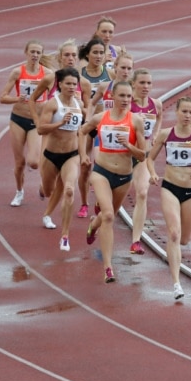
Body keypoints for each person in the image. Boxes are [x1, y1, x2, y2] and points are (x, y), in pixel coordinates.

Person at [146, 97, 191, 300]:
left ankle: (176, 259)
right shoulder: (167, 134)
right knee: (174, 234)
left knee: (184, 239)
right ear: (176, 112)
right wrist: (152, 173)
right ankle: (176, 284)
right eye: (184, 111)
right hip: (170, 187)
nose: (187, 115)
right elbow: (149, 159)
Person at [78, 81, 146, 283]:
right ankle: (108, 268)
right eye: (122, 96)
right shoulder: (100, 118)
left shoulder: (135, 121)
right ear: (113, 97)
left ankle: (93, 225)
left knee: (108, 216)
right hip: (101, 172)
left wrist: (129, 146)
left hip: (124, 176)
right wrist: (83, 154)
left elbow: (142, 155)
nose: (126, 100)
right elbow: (82, 131)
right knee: (108, 215)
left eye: (128, 96)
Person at [28, 39, 92, 228]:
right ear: (60, 57)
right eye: (66, 55)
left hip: (72, 135)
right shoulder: (51, 79)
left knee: (66, 181)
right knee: (43, 176)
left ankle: (50, 215)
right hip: (50, 133)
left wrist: (83, 122)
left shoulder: (84, 84)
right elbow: (32, 99)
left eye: (74, 55)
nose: (70, 59)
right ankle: (45, 187)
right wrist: (38, 121)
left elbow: (87, 110)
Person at [0, 40, 52, 207]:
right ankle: (19, 191)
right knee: (19, 162)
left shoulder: (48, 74)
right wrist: (17, 98)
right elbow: (2, 97)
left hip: (36, 121)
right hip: (18, 119)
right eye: (32, 52)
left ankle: (41, 183)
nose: (35, 55)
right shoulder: (17, 72)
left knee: (34, 163)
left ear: (42, 54)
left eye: (38, 52)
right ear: (26, 53)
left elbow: (55, 96)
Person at [37, 67, 83, 251]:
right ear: (60, 84)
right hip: (51, 155)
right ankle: (45, 203)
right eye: (68, 83)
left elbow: (81, 130)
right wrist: (61, 123)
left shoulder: (79, 104)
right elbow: (41, 129)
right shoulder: (52, 104)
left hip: (71, 155)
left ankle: (65, 235)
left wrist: (84, 155)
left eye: (74, 84)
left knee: (69, 190)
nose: (72, 87)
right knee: (49, 191)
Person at [76, 38, 114, 219]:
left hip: (106, 126)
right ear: (88, 54)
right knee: (85, 166)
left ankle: (101, 201)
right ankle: (84, 203)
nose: (98, 56)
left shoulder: (111, 74)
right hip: (86, 123)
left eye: (101, 53)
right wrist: (87, 116)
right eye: (95, 53)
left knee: (101, 165)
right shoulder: (80, 73)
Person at [128, 68, 163, 255]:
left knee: (142, 193)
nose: (146, 87)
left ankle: (136, 241)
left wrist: (155, 133)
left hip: (143, 156)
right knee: (112, 205)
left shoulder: (155, 104)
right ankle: (96, 222)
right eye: (142, 83)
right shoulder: (126, 103)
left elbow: (159, 117)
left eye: (149, 83)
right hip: (124, 156)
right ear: (133, 83)